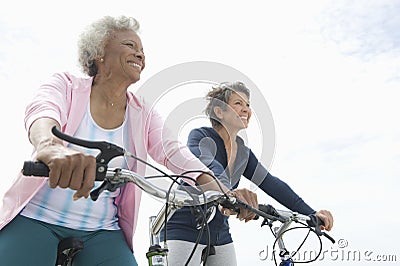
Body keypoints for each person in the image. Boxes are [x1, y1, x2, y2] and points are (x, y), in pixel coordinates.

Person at [0, 16, 258, 265]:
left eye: (142, 50)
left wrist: (226, 194)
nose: (140, 55)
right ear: (100, 52)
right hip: (37, 217)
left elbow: (175, 153)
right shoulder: (66, 86)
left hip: (102, 231)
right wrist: (50, 147)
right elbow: (42, 111)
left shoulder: (142, 113)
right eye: (129, 45)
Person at [162, 81, 334, 265]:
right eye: (238, 103)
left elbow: (271, 183)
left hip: (220, 233)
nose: (246, 109)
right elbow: (210, 167)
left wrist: (312, 215)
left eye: (248, 105)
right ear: (219, 112)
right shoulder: (201, 136)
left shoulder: (243, 152)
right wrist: (232, 196)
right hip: (184, 227)